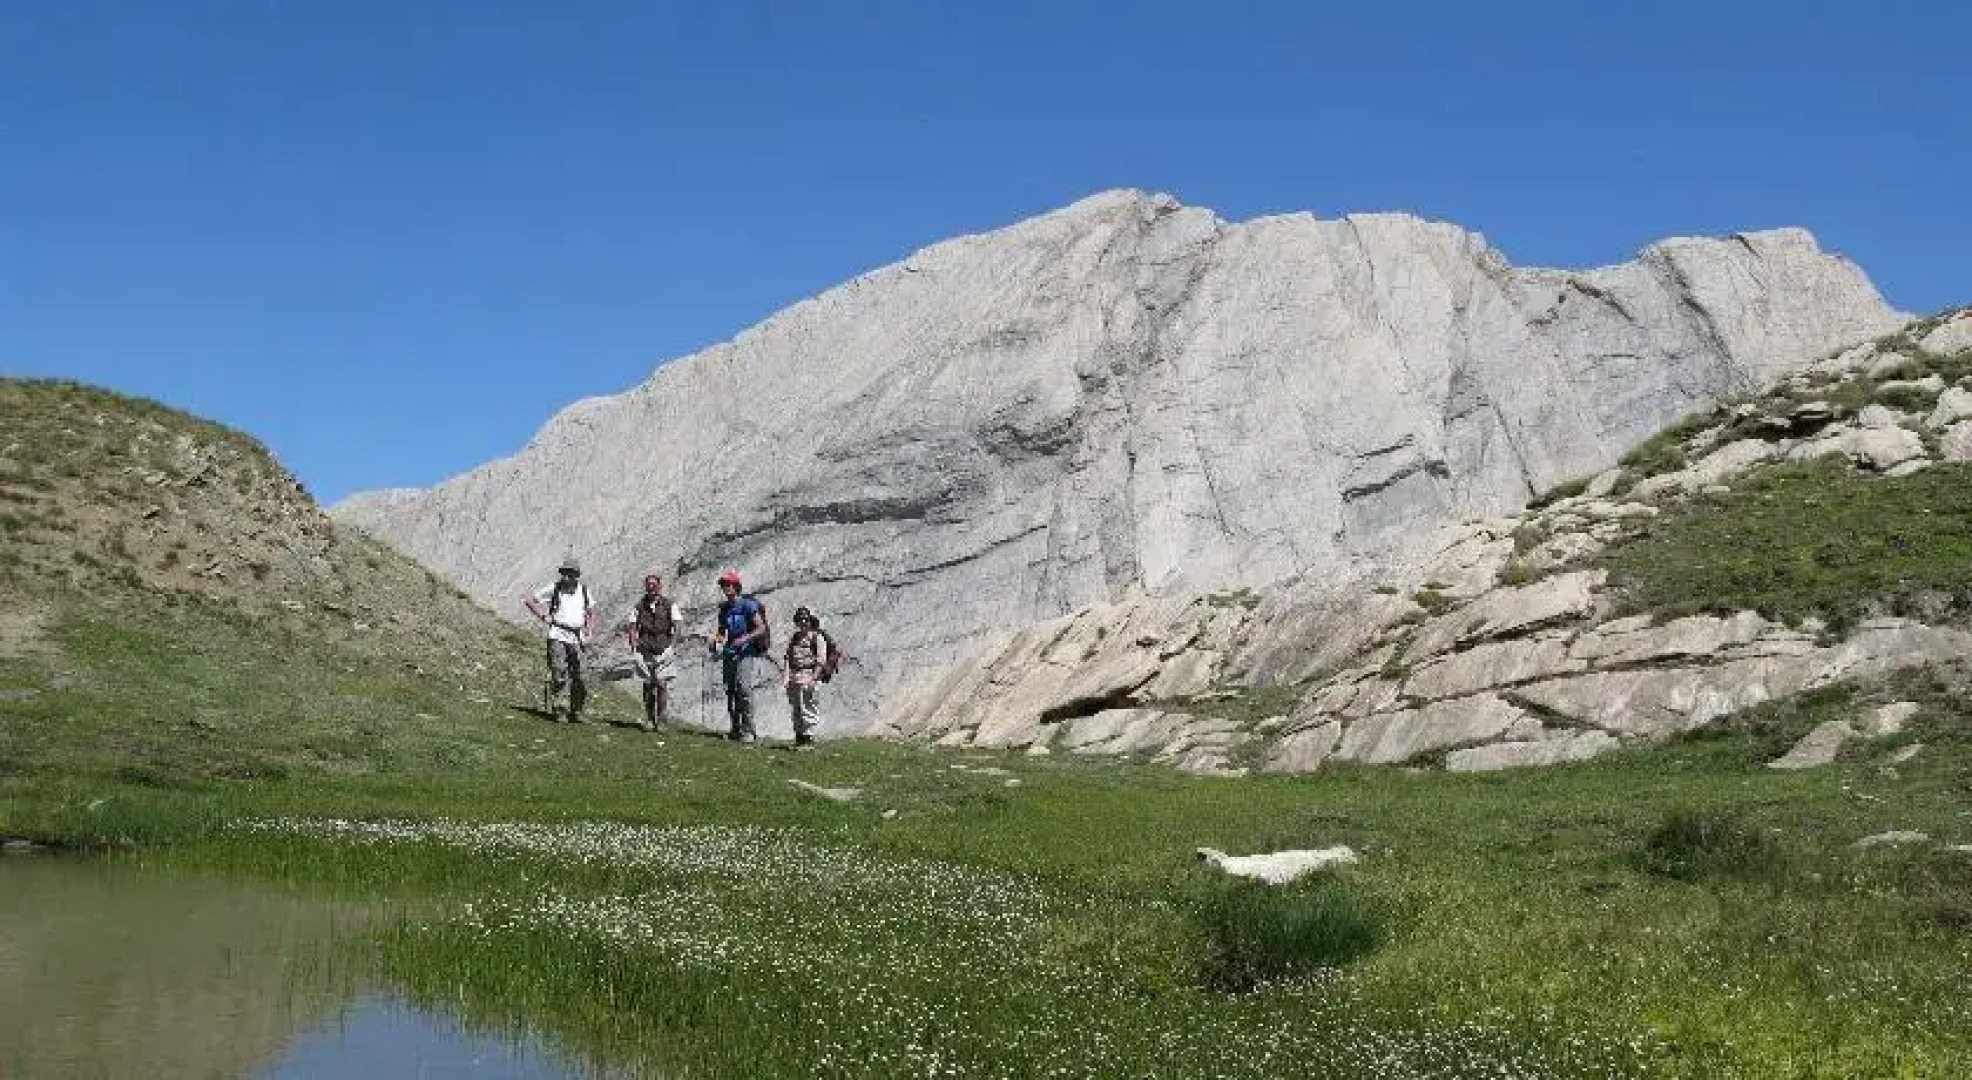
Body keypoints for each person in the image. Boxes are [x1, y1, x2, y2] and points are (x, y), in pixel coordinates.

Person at [523, 554, 596, 723]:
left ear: (576, 575)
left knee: (580, 675)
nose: (566, 577)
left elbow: (591, 612)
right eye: (564, 573)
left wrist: (590, 633)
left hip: (577, 637)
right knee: (559, 671)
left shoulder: (584, 591)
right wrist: (543, 615)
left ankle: (577, 711)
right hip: (557, 635)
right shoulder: (554, 588)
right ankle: (560, 710)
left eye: (570, 573)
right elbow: (529, 599)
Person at [710, 567, 767, 743]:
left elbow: (761, 628)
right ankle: (735, 728)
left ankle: (749, 730)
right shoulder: (724, 608)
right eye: (724, 585)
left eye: (729, 584)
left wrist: (745, 639)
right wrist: (716, 641)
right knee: (731, 690)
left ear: (736, 586)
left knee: (744, 689)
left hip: (745, 652)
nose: (726, 587)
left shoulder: (748, 605)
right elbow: (721, 631)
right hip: (729, 651)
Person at [625, 572, 681, 732]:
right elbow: (632, 626)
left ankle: (662, 719)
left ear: (659, 586)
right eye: (649, 585)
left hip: (664, 648)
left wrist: (673, 646)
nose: (651, 587)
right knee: (648, 684)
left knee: (662, 684)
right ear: (646, 587)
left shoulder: (669, 605)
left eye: (654, 584)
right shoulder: (639, 606)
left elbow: (677, 626)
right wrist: (634, 645)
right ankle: (650, 718)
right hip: (645, 648)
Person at [782, 606, 837, 748]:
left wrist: (814, 678)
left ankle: (809, 737)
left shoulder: (817, 638)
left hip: (810, 675)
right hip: (795, 676)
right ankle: (799, 737)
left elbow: (821, 660)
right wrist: (786, 677)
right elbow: (788, 658)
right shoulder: (795, 637)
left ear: (811, 621)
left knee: (808, 707)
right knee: (796, 708)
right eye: (800, 619)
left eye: (806, 619)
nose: (803, 622)